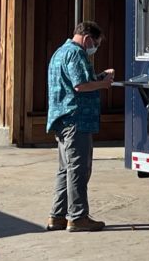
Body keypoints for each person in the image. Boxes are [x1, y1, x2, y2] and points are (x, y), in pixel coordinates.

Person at [45, 21, 115, 232]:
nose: (95, 49)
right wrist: (103, 84)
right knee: (78, 169)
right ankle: (77, 217)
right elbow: (80, 85)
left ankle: (57, 216)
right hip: (76, 120)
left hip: (61, 119)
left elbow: (78, 80)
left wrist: (99, 76)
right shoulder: (76, 54)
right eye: (96, 44)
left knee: (65, 169)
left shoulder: (59, 53)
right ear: (87, 39)